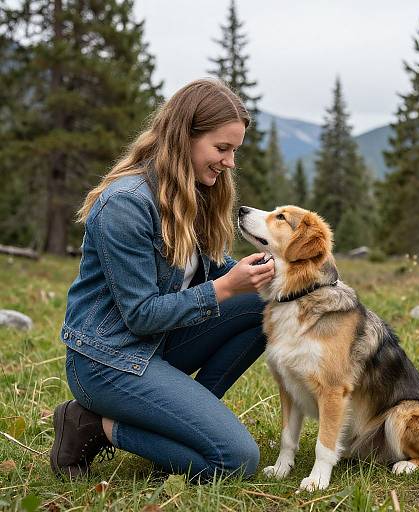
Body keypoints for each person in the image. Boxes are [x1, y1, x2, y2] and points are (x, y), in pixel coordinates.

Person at [50, 78, 275, 482]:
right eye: (221, 149)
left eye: (234, 151)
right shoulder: (126, 203)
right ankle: (91, 425)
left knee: (266, 300)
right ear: (183, 136)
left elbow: (207, 271)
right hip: (107, 360)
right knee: (236, 461)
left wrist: (255, 272)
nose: (229, 162)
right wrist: (226, 287)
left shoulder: (196, 191)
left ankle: (179, 425)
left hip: (160, 345)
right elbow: (141, 315)